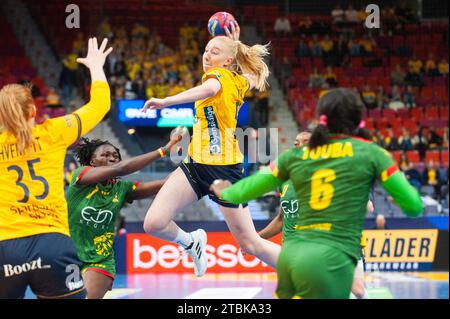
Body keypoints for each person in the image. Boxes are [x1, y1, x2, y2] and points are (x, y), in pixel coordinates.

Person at [210, 88, 423, 298]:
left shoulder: (291, 160)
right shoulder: (374, 154)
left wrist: (224, 190)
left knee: (353, 290)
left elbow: (246, 190)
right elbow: (414, 206)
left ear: (322, 121)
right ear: (359, 121)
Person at [141, 24, 281, 277]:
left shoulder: (218, 78)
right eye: (206, 50)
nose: (207, 55)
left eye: (214, 52)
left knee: (250, 245)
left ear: (227, 61)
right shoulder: (239, 81)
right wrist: (235, 47)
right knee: (153, 223)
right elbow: (248, 75)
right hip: (195, 163)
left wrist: (165, 101)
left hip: (223, 171)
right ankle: (191, 242)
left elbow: (209, 90)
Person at [0, 37, 112, 299]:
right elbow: (100, 105)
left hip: (5, 247)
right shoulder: (54, 131)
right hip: (54, 244)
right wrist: (95, 66)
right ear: (33, 110)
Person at [66, 130, 182, 299]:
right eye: (105, 155)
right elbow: (122, 168)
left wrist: (187, 171)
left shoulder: (122, 189)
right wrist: (163, 150)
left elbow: (165, 184)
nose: (112, 158)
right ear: (92, 161)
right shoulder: (81, 176)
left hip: (100, 260)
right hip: (67, 255)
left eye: (115, 155)